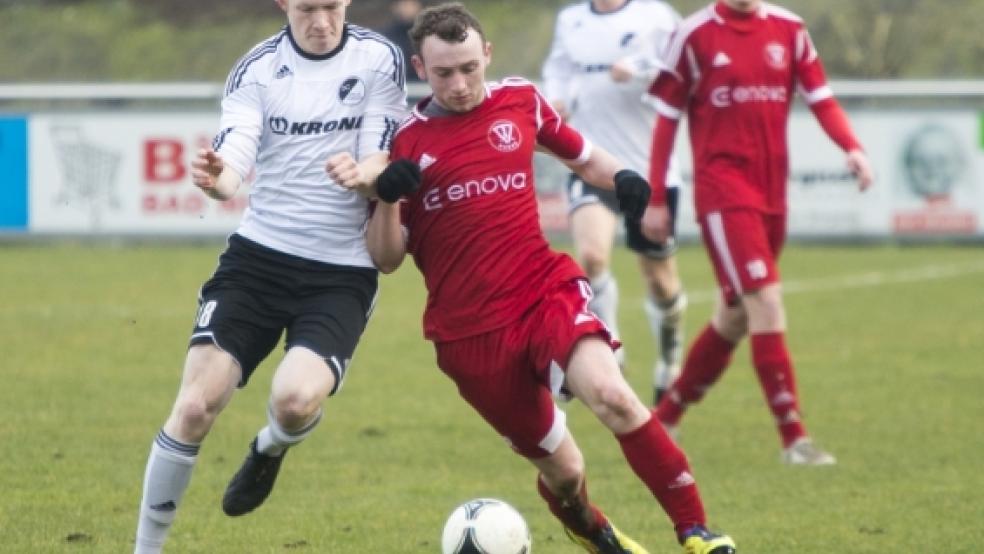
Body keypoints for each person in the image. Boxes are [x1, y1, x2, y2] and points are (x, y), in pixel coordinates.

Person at [360, 3, 736, 553]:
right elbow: (386, 258)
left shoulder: (521, 101)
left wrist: (624, 178)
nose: (460, 83)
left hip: (543, 290)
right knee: (565, 471)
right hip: (470, 334)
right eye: (444, 73)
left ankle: (697, 531)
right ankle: (593, 531)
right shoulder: (404, 142)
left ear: (486, 54)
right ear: (421, 67)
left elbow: (584, 159)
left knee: (614, 396)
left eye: (469, 67)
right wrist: (388, 197)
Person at [132, 1, 407, 552]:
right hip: (259, 260)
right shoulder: (256, 69)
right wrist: (216, 179)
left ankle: (271, 447)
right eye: (308, 8)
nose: (321, 20)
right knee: (192, 406)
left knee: (296, 401)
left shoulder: (380, 59)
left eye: (331, 6)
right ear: (285, 2)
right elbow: (234, 165)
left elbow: (383, 156)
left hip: (341, 271)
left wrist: (363, 174)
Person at [645, 0, 874, 464]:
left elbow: (821, 98)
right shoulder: (693, 35)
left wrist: (852, 147)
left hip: (772, 194)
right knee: (766, 301)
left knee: (736, 316)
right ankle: (795, 438)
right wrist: (655, 197)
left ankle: (665, 417)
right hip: (723, 192)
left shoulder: (790, 29)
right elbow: (666, 120)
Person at [542, 0, 688, 404]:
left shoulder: (655, 16)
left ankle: (670, 359)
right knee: (590, 257)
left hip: (648, 169)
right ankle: (613, 355)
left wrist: (639, 70)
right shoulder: (570, 19)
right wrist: (556, 98)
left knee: (660, 280)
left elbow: (682, 69)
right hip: (593, 164)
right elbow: (558, 69)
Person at [381, 0, 424, 83]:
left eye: (412, 3)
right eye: (404, 4)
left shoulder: (426, 35)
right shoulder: (386, 37)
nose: (408, 8)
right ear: (395, 7)